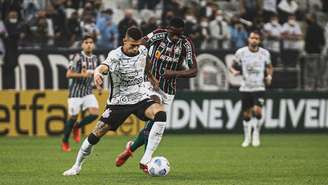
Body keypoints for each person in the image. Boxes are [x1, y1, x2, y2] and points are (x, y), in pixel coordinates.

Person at [62, 27, 167, 176]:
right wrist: (97, 73)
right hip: (119, 102)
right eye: (132, 45)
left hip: (140, 97)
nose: (135, 48)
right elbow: (103, 67)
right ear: (124, 41)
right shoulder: (115, 55)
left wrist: (150, 76)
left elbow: (146, 62)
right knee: (95, 134)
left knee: (161, 114)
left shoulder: (143, 50)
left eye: (137, 45)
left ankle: (146, 158)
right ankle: (76, 166)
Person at [115, 17, 198, 170]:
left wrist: (173, 73)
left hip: (169, 89)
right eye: (173, 33)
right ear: (168, 29)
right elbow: (141, 45)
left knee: (155, 124)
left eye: (179, 34)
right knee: (156, 115)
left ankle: (130, 149)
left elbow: (194, 70)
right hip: (150, 83)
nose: (176, 37)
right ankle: (146, 161)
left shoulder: (186, 44)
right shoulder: (158, 34)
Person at [229, 31, 273, 147]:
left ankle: (256, 134)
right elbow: (232, 66)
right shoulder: (241, 52)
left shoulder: (265, 53)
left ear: (259, 41)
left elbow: (269, 67)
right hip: (245, 87)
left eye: (257, 38)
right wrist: (234, 72)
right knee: (246, 115)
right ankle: (247, 137)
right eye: (252, 38)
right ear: (248, 39)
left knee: (258, 111)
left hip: (259, 87)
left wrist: (269, 76)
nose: (254, 40)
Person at [61, 35, 99, 152]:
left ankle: (77, 127)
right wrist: (81, 75)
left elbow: (94, 75)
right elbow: (68, 74)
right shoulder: (77, 57)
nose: (89, 44)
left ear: (93, 45)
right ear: (82, 45)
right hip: (75, 93)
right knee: (73, 117)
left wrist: (99, 86)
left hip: (87, 92)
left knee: (95, 113)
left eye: (91, 42)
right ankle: (65, 140)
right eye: (86, 42)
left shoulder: (95, 58)